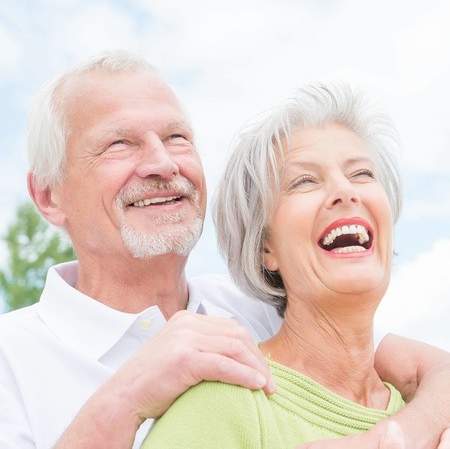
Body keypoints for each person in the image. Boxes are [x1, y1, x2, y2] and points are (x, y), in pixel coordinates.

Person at [0, 51, 448, 449]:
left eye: (177, 137)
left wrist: (396, 436)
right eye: (120, 143)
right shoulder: (11, 360)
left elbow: (419, 372)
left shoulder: (262, 306)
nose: (163, 163)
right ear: (48, 197)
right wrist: (123, 400)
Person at [142, 83, 450, 448]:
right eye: (304, 181)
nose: (345, 191)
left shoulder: (425, 407)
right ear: (264, 247)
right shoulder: (226, 402)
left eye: (362, 174)